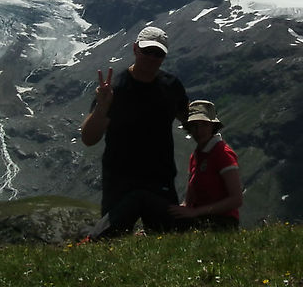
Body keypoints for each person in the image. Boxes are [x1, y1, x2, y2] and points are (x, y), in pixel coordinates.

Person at [81, 26, 189, 239]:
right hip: (120, 179)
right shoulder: (115, 89)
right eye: (146, 51)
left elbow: (191, 121)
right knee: (110, 240)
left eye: (157, 53)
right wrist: (102, 107)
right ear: (135, 49)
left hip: (160, 177)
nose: (151, 57)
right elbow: (89, 138)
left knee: (169, 239)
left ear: (164, 56)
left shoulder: (171, 86)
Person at [169, 100, 243, 230]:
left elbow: (236, 199)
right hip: (200, 218)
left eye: (204, 125)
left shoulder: (223, 154)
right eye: (194, 126)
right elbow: (189, 201)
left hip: (223, 221)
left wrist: (195, 212)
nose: (199, 131)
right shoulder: (197, 155)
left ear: (212, 126)